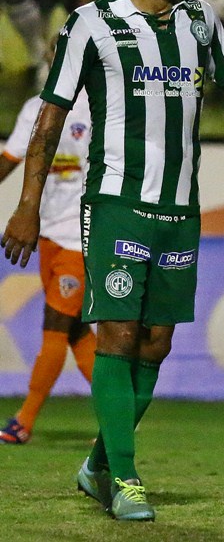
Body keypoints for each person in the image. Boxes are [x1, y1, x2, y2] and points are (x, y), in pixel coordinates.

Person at [1, 0, 224, 521]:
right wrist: (27, 205)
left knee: (156, 344)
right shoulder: (92, 24)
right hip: (116, 204)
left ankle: (98, 464)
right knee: (117, 334)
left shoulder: (200, 18)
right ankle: (127, 479)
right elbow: (50, 119)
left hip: (180, 208)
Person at [0, 91, 95, 445]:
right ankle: (123, 411)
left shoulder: (103, 102)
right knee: (76, 331)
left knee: (55, 325)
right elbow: (10, 159)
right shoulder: (36, 106)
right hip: (48, 234)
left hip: (82, 236)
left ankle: (24, 421)